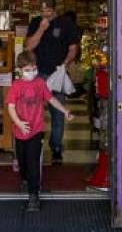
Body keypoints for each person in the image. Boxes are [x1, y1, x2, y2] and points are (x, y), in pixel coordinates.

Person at [7, 51, 73, 212]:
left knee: (33, 162)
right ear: (20, 70)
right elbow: (11, 107)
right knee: (22, 162)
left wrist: (65, 111)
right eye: (28, 70)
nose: (32, 72)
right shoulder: (16, 86)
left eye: (34, 69)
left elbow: (51, 99)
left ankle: (33, 195)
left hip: (36, 130)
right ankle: (24, 177)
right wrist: (19, 123)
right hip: (19, 132)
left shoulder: (40, 84)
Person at [24, 0, 82, 165]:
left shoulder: (65, 23)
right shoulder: (36, 22)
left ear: (54, 9)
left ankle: (56, 148)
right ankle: (34, 144)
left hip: (57, 74)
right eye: (42, 11)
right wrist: (41, 29)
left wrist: (65, 64)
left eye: (48, 11)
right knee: (33, 111)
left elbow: (73, 48)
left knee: (58, 113)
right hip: (38, 74)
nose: (45, 14)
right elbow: (28, 47)